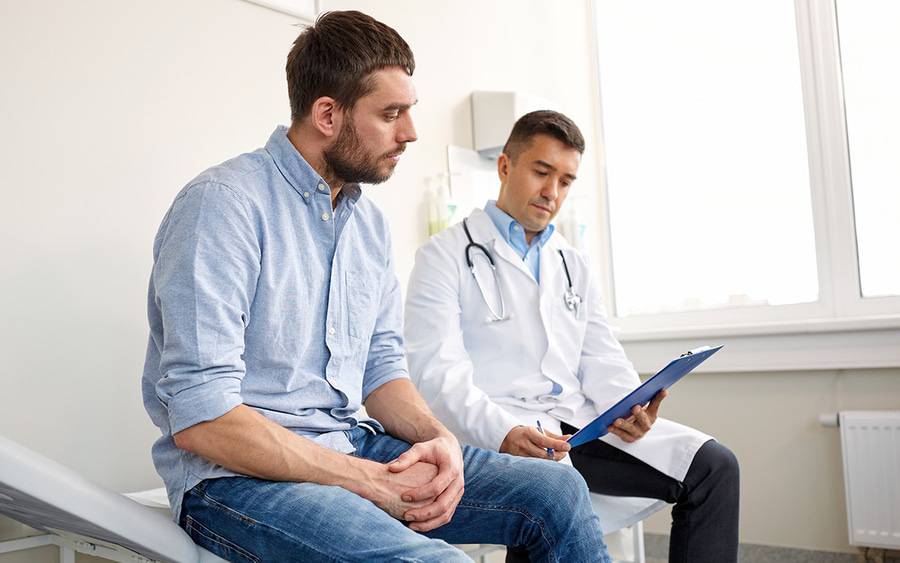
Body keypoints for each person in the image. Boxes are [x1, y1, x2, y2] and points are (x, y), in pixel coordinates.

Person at [141, 11, 609, 563]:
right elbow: (203, 419)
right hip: (235, 483)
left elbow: (380, 368)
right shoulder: (224, 205)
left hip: (349, 445)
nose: (410, 133)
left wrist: (437, 438)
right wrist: (364, 480)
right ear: (327, 115)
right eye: (391, 114)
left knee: (555, 491)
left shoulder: (367, 225)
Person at [405, 110, 740, 563]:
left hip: (577, 425)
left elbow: (600, 356)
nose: (552, 192)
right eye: (542, 172)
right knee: (548, 492)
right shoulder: (443, 257)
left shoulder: (572, 262)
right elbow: (437, 375)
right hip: (498, 430)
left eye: (565, 180)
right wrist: (504, 432)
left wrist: (631, 405)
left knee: (715, 467)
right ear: (505, 167)